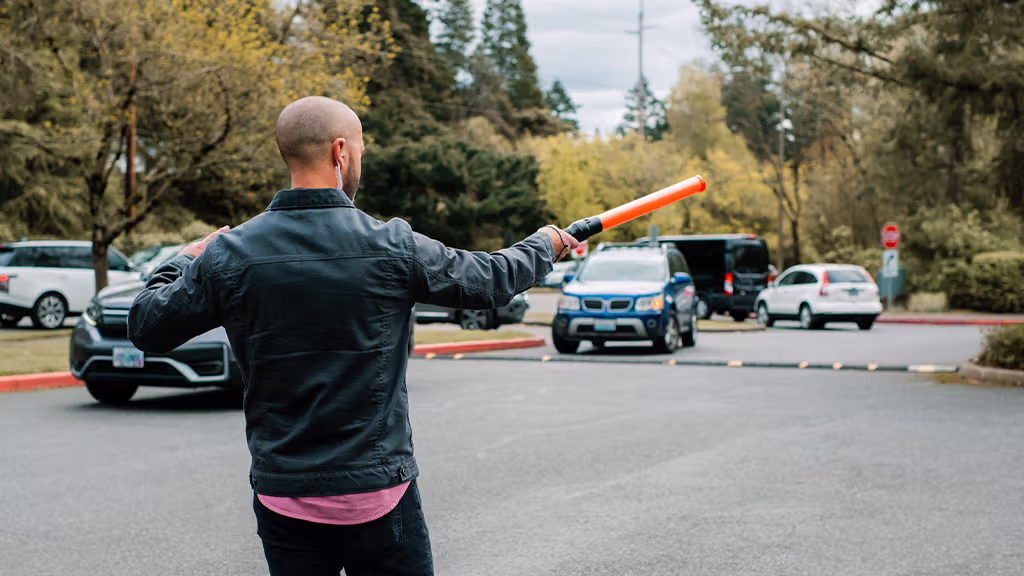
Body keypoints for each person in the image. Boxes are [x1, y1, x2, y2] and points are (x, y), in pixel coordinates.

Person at [127, 96, 578, 576]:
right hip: (379, 491)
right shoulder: (392, 244)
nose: (360, 160)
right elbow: (491, 279)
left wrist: (186, 256)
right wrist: (547, 242)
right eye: (359, 150)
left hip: (285, 494)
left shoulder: (229, 255)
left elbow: (147, 326)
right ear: (340, 152)